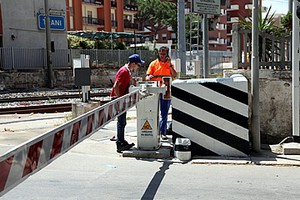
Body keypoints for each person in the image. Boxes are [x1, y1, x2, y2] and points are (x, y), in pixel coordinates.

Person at [110, 54, 144, 153]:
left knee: (122, 121)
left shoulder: (126, 71)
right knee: (121, 122)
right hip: (118, 98)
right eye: (138, 65)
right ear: (133, 63)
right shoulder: (124, 71)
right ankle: (119, 143)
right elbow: (116, 86)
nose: (138, 67)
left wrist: (132, 80)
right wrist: (119, 99)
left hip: (120, 98)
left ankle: (121, 140)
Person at [145, 46, 177, 140]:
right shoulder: (153, 64)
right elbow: (147, 77)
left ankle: (163, 132)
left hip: (166, 91)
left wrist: (170, 65)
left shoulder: (169, 64)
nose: (162, 55)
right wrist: (150, 77)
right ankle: (154, 131)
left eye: (164, 54)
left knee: (164, 113)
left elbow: (174, 75)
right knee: (153, 112)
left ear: (167, 54)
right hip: (155, 91)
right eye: (161, 53)